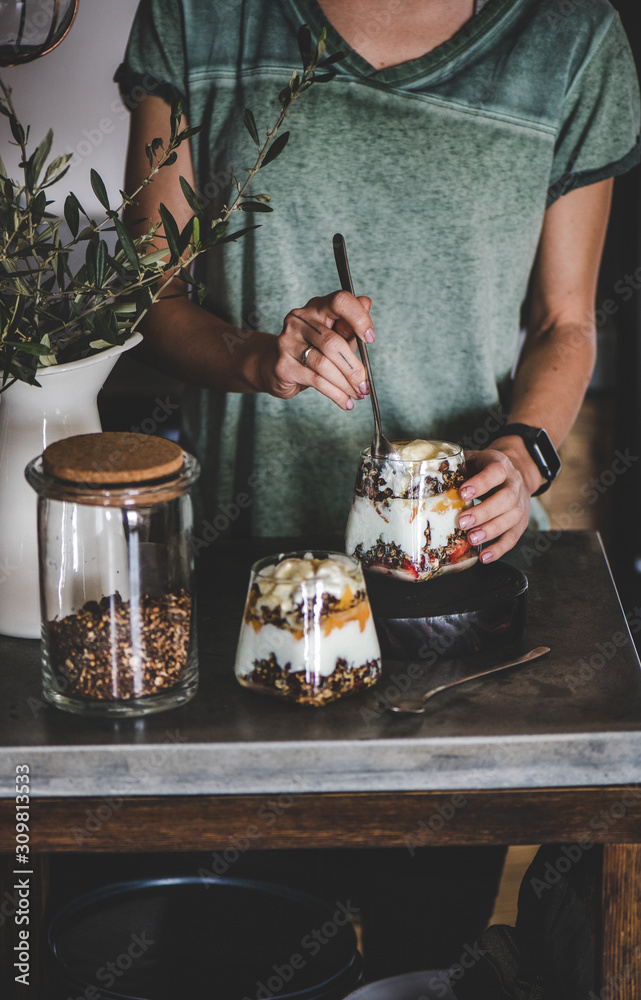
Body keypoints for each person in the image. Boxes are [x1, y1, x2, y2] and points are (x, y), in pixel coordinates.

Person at [114, 0, 641, 980]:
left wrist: (526, 446)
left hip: (448, 617)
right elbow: (153, 296)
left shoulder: (570, 40)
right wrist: (256, 354)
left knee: (419, 952)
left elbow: (566, 321)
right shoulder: (197, 16)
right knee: (236, 952)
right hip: (248, 591)